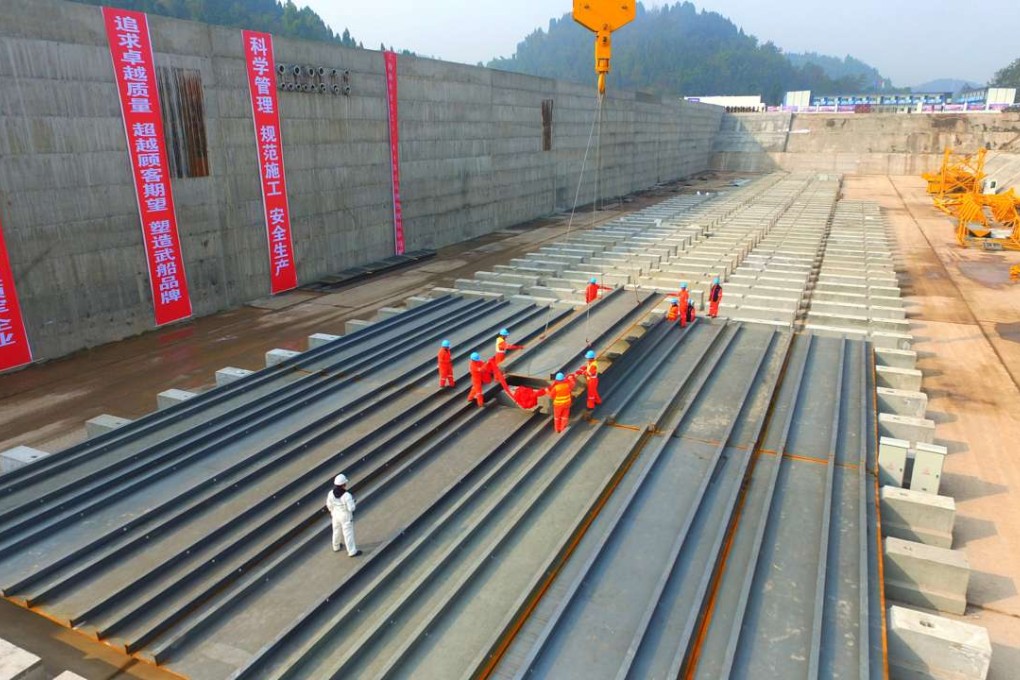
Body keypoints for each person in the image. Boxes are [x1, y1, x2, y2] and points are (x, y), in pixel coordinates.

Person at [326, 473, 361, 557]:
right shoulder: (347, 495)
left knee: (336, 530)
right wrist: (353, 502)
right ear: (343, 484)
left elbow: (329, 505)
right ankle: (352, 551)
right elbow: (351, 508)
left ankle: (336, 546)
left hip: (335, 514)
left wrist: (332, 512)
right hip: (345, 516)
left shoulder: (330, 493)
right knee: (348, 533)